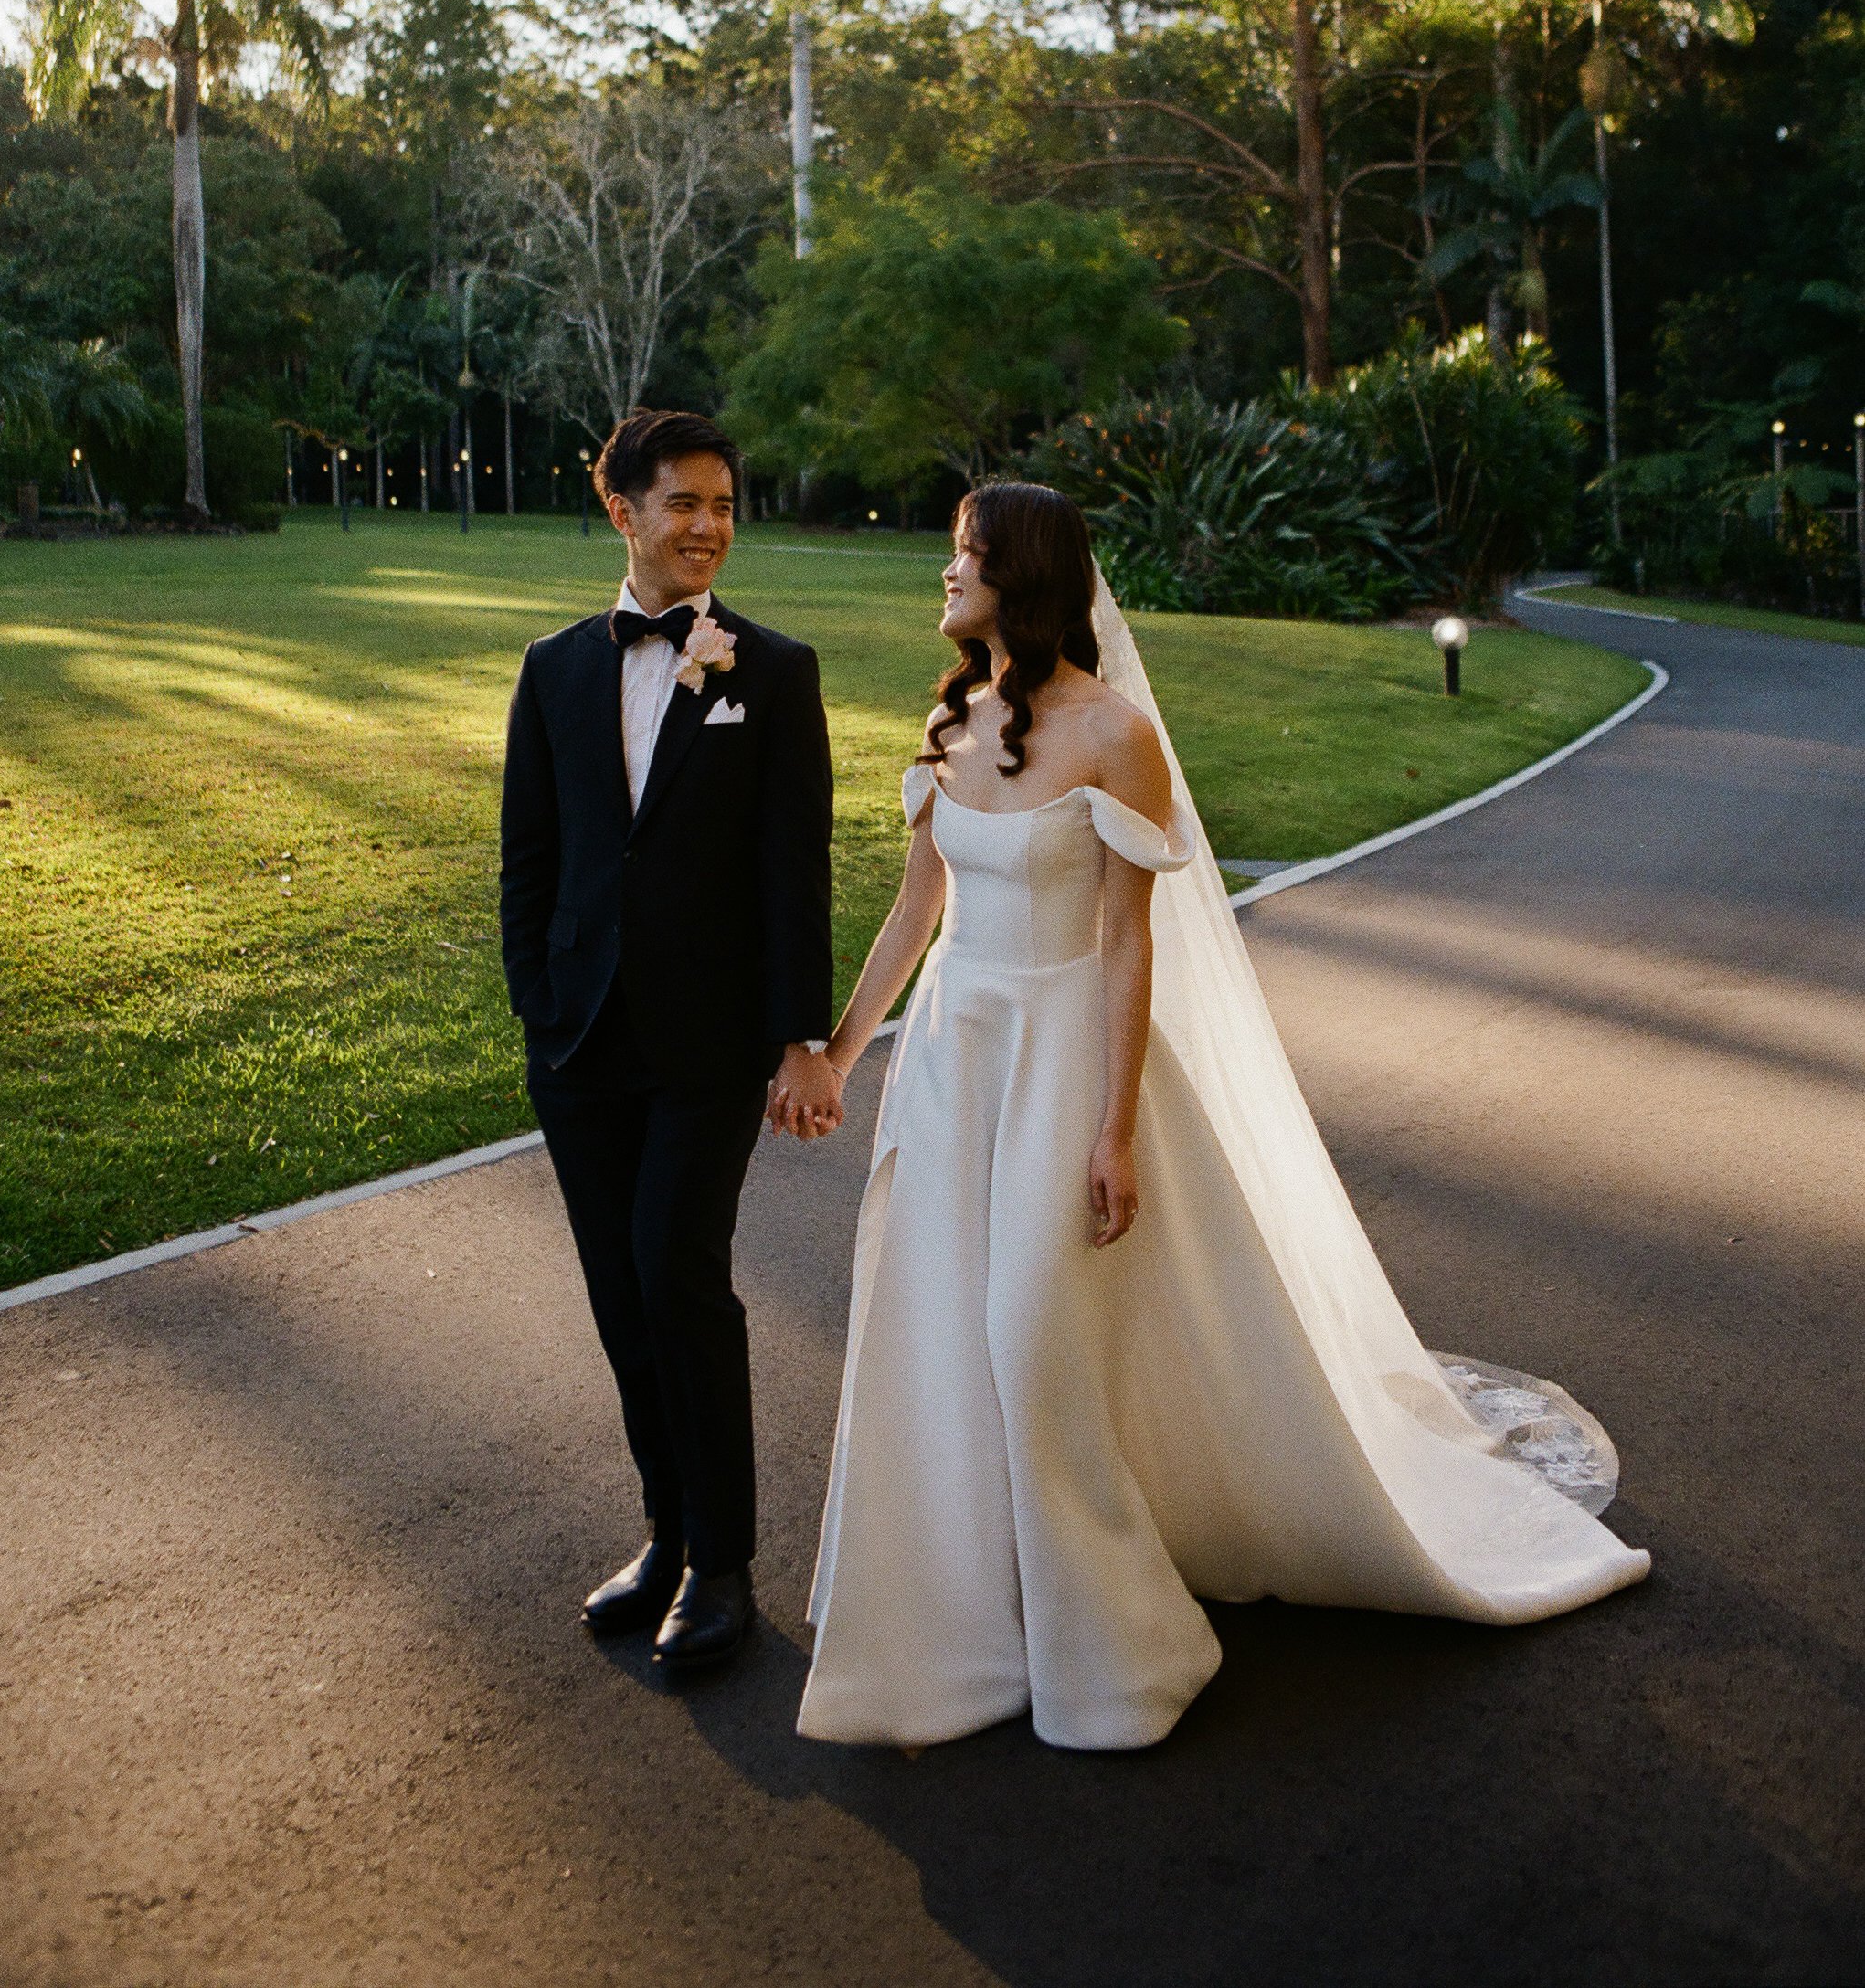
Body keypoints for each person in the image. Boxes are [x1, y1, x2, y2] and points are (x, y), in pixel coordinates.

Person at [773, 481, 1649, 1750]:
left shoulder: (1117, 733)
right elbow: (919, 912)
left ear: (1021, 572)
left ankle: (1121, 1642)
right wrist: (844, 1051)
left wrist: (1116, 1126)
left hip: (1066, 1055)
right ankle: (973, 1627)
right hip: (957, 1059)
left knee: (1031, 1339)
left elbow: (1130, 946)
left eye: (963, 555)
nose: (943, 575)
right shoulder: (951, 714)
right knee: (944, 1340)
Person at [500, 407, 832, 1673]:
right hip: (580, 1043)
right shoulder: (554, 667)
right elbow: (529, 856)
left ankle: (727, 1563)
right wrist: (538, 996)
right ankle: (666, 1531)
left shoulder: (774, 670)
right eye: (684, 502)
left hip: (708, 1046)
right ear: (622, 510)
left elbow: (792, 873)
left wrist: (802, 1033)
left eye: (725, 505)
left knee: (675, 1274)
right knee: (616, 1291)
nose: (707, 526)